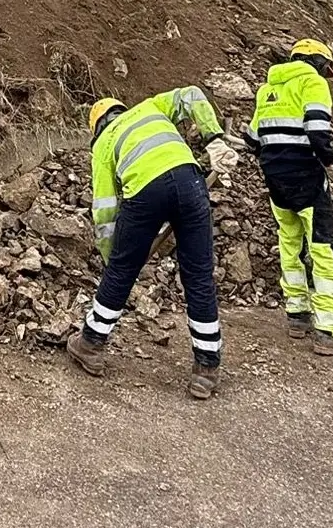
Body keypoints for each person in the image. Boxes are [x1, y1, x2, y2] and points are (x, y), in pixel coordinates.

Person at [67, 85, 237, 398]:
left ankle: (90, 343)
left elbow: (104, 210)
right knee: (199, 276)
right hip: (191, 182)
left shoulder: (104, 144)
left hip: (145, 192)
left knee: (121, 270)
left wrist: (112, 256)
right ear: (120, 108)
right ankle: (206, 368)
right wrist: (214, 139)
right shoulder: (150, 106)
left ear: (97, 127)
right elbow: (193, 95)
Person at [245, 39, 333, 355]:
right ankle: (329, 330)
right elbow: (317, 127)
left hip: (275, 176)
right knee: (322, 248)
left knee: (289, 241)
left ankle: (297, 314)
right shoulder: (314, 82)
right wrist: (331, 163)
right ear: (319, 62)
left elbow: (252, 138)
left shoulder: (267, 89)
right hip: (307, 175)